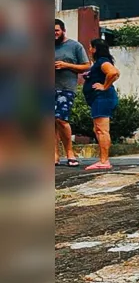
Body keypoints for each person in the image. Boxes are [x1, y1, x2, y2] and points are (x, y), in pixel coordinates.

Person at [54, 19, 90, 167]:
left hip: (66, 88)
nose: (53, 34)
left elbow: (86, 66)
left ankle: (70, 152)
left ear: (63, 30)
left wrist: (65, 65)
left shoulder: (75, 46)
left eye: (56, 30)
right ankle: (54, 155)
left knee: (61, 120)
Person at [81, 38, 120, 171]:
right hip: (99, 99)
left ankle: (104, 161)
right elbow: (117, 73)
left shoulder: (103, 61)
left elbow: (113, 72)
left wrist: (104, 86)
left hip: (102, 98)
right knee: (97, 129)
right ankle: (103, 159)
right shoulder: (99, 62)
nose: (89, 49)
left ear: (95, 49)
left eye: (90, 47)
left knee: (102, 130)